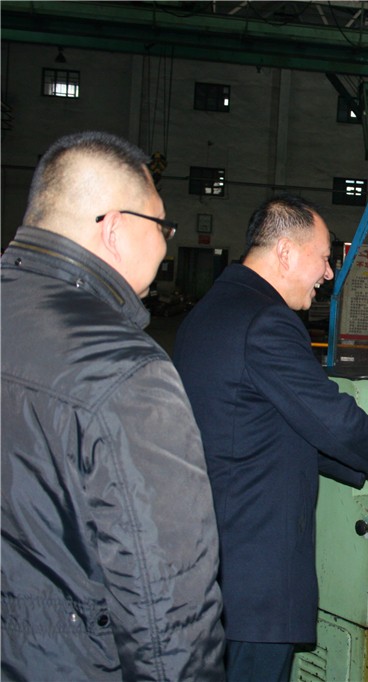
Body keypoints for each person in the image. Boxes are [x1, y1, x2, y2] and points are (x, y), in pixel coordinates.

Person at [173, 193, 368, 682]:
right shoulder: (266, 320)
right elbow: (330, 415)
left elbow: (276, 424)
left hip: (213, 562)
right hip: (255, 573)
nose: (329, 273)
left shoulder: (209, 313)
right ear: (286, 252)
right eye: (324, 258)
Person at [0, 131, 225, 680]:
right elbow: (166, 606)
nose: (166, 244)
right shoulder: (124, 370)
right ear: (115, 227)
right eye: (162, 226)